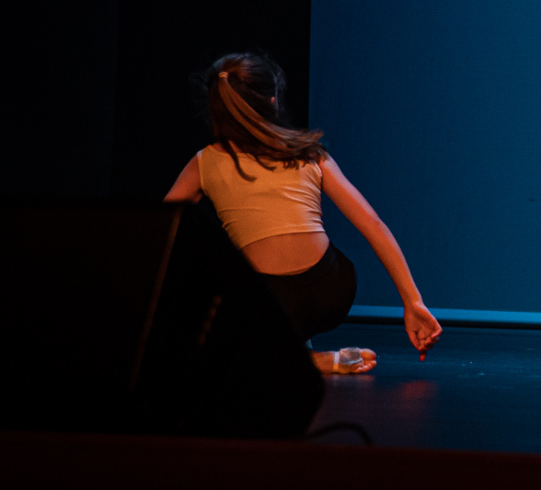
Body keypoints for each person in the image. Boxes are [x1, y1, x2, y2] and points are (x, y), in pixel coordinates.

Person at [163, 52, 440, 373]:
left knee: (221, 331)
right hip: (331, 290)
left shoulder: (204, 162)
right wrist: (412, 301)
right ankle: (300, 347)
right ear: (272, 101)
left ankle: (302, 358)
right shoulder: (309, 152)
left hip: (273, 301)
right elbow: (372, 224)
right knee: (279, 306)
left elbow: (157, 230)